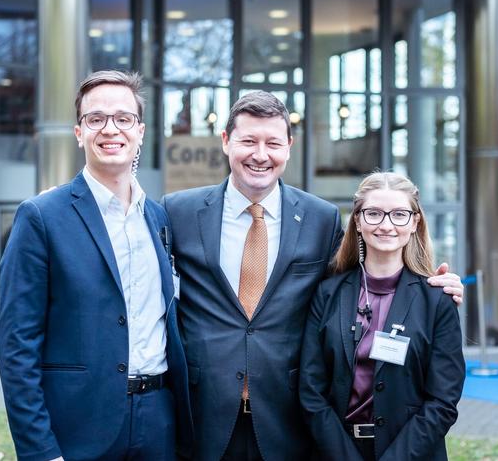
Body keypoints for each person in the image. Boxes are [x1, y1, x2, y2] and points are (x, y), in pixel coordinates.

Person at [161, 92, 464, 460]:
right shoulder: (179, 212)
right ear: (226, 142)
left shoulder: (320, 219)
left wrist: (431, 283)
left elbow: (364, 278)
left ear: (289, 146)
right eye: (248, 141)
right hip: (202, 414)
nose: (260, 154)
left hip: (286, 419)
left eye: (273, 142)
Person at [0, 70, 192, 461]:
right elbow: (17, 345)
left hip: (158, 422)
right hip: (78, 428)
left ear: (140, 131)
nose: (110, 129)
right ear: (78, 132)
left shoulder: (159, 219)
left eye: (123, 118)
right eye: (96, 119)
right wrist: (40, 450)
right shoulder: (41, 216)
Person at [299, 172, 465, 460]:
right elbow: (310, 391)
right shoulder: (327, 293)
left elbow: (442, 401)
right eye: (374, 213)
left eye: (399, 214)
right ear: (358, 221)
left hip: (412, 452)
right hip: (335, 451)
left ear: (414, 222)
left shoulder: (437, 300)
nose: (386, 225)